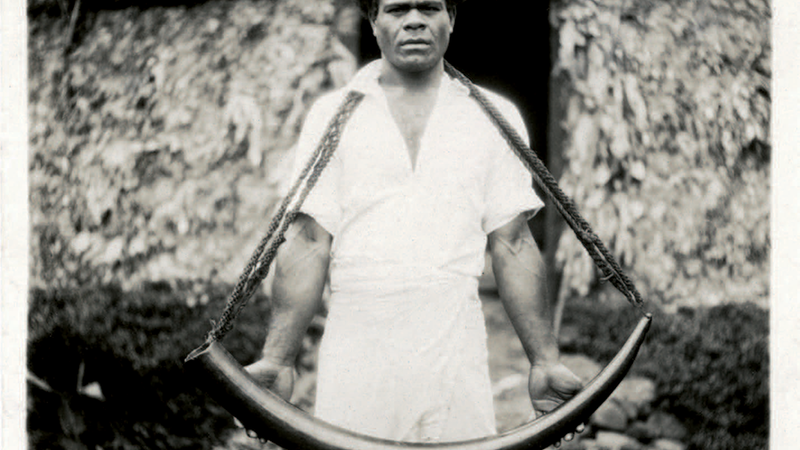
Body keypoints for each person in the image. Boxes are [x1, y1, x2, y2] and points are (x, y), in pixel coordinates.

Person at [243, 0, 584, 444]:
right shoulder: (332, 114)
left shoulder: (492, 115)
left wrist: (545, 361)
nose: (415, 20)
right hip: (358, 340)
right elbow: (309, 241)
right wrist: (278, 359)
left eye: (429, 7)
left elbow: (513, 243)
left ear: (452, 19)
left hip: (454, 337)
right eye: (398, 9)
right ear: (373, 21)